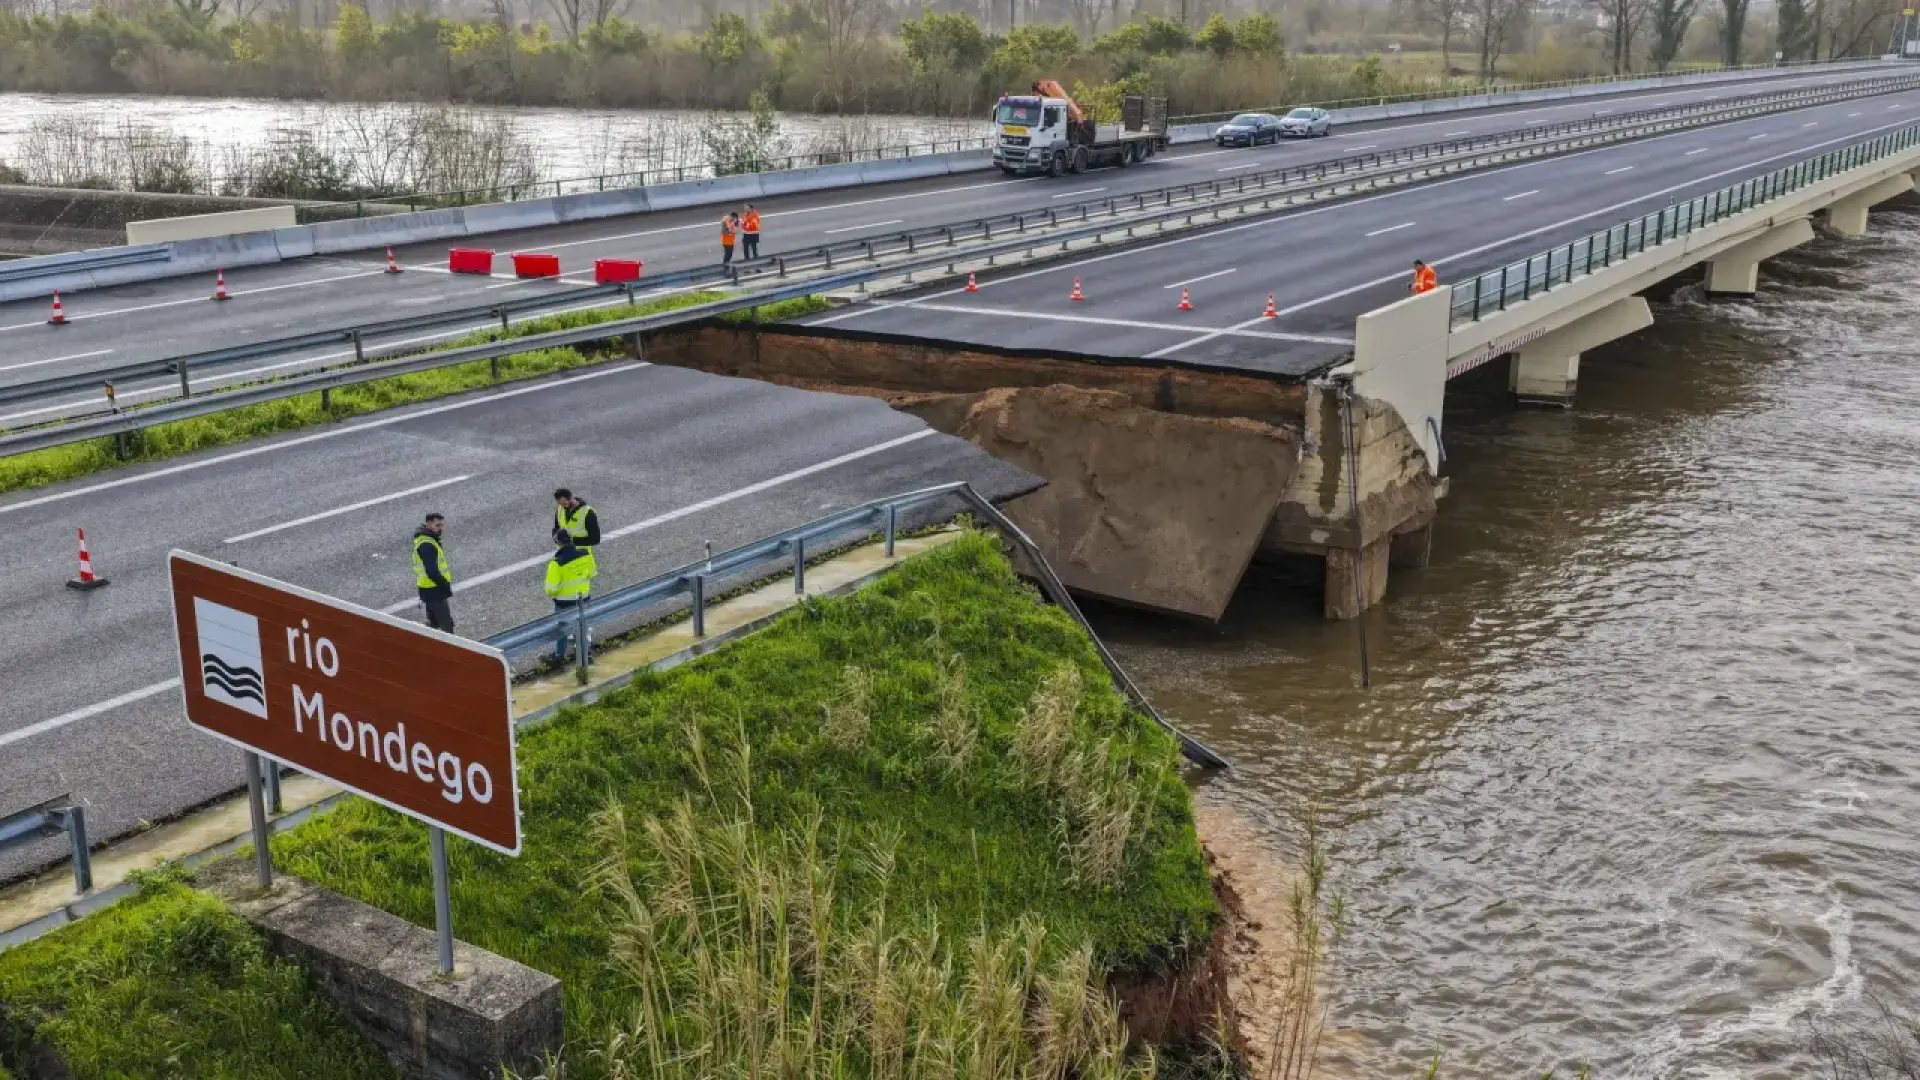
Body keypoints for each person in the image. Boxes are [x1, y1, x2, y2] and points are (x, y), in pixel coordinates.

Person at [543, 527, 597, 663]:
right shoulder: (585, 554)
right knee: (580, 626)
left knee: (562, 629)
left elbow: (551, 590)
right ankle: (587, 653)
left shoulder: (556, 563)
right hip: (584, 599)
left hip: (564, 603)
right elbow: (592, 573)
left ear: (557, 542)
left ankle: (558, 656)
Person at [412, 513, 454, 633]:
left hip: (427, 589)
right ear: (429, 524)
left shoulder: (425, 539)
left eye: (442, 525)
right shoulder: (427, 544)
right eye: (437, 525)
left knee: (434, 624)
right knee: (446, 625)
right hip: (434, 590)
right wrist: (444, 586)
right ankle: (450, 649)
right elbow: (432, 571)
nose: (441, 528)